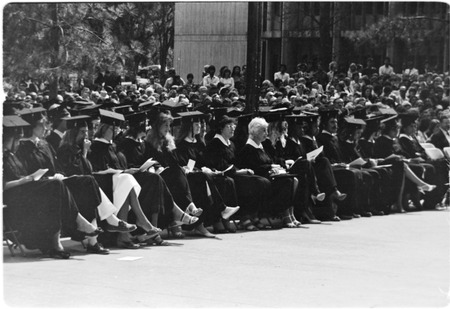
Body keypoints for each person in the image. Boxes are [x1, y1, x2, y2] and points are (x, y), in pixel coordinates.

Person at [86, 110, 198, 246]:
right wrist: (125, 170)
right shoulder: (97, 146)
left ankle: (152, 227)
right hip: (107, 183)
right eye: (113, 128)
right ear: (104, 129)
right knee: (152, 180)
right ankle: (162, 220)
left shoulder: (112, 145)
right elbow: (97, 170)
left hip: (123, 179)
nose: (115, 132)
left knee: (154, 179)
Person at [144, 109, 217, 238]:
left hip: (172, 176)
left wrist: (170, 150)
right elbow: (149, 161)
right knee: (180, 173)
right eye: (165, 125)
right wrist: (159, 168)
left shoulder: (168, 141)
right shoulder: (149, 142)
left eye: (169, 125)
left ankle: (197, 221)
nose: (168, 128)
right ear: (157, 126)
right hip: (159, 175)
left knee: (198, 177)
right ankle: (190, 208)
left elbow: (174, 162)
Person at [175, 111, 240, 233]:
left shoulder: (200, 143)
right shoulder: (181, 145)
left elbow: (205, 161)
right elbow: (182, 165)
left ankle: (221, 219)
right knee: (205, 178)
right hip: (189, 177)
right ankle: (221, 211)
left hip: (202, 174)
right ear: (188, 127)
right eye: (196, 124)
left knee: (227, 181)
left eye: (200, 124)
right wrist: (200, 170)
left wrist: (209, 169)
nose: (199, 126)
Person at [204, 115, 272, 231]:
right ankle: (244, 217)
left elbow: (235, 162)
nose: (232, 128)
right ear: (221, 128)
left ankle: (252, 215)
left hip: (235, 174)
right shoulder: (215, 144)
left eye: (233, 126)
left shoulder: (231, 144)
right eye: (229, 126)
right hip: (224, 175)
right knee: (258, 183)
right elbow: (220, 164)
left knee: (263, 181)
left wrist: (242, 170)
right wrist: (239, 171)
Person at [236, 117, 298, 228]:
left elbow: (269, 161)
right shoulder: (248, 149)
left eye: (266, 130)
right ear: (254, 132)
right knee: (285, 182)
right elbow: (253, 167)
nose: (266, 133)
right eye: (263, 131)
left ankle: (287, 214)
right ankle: (277, 215)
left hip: (269, 177)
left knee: (291, 180)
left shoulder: (262, 147)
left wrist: (275, 167)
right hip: (256, 180)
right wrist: (270, 167)